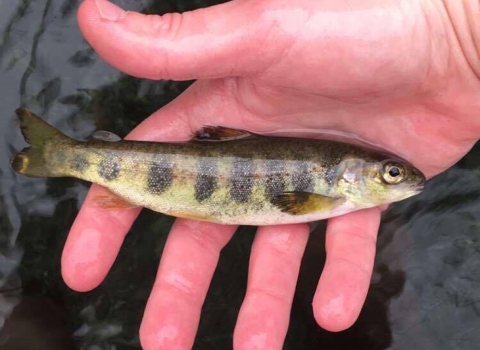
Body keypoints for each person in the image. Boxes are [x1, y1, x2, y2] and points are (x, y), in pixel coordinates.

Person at [62, 0, 480, 349]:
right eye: (391, 173)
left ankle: (64, 156)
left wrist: (459, 34)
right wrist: (456, 30)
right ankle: (64, 157)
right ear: (353, 174)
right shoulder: (330, 196)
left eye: (393, 174)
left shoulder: (336, 191)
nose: (403, 181)